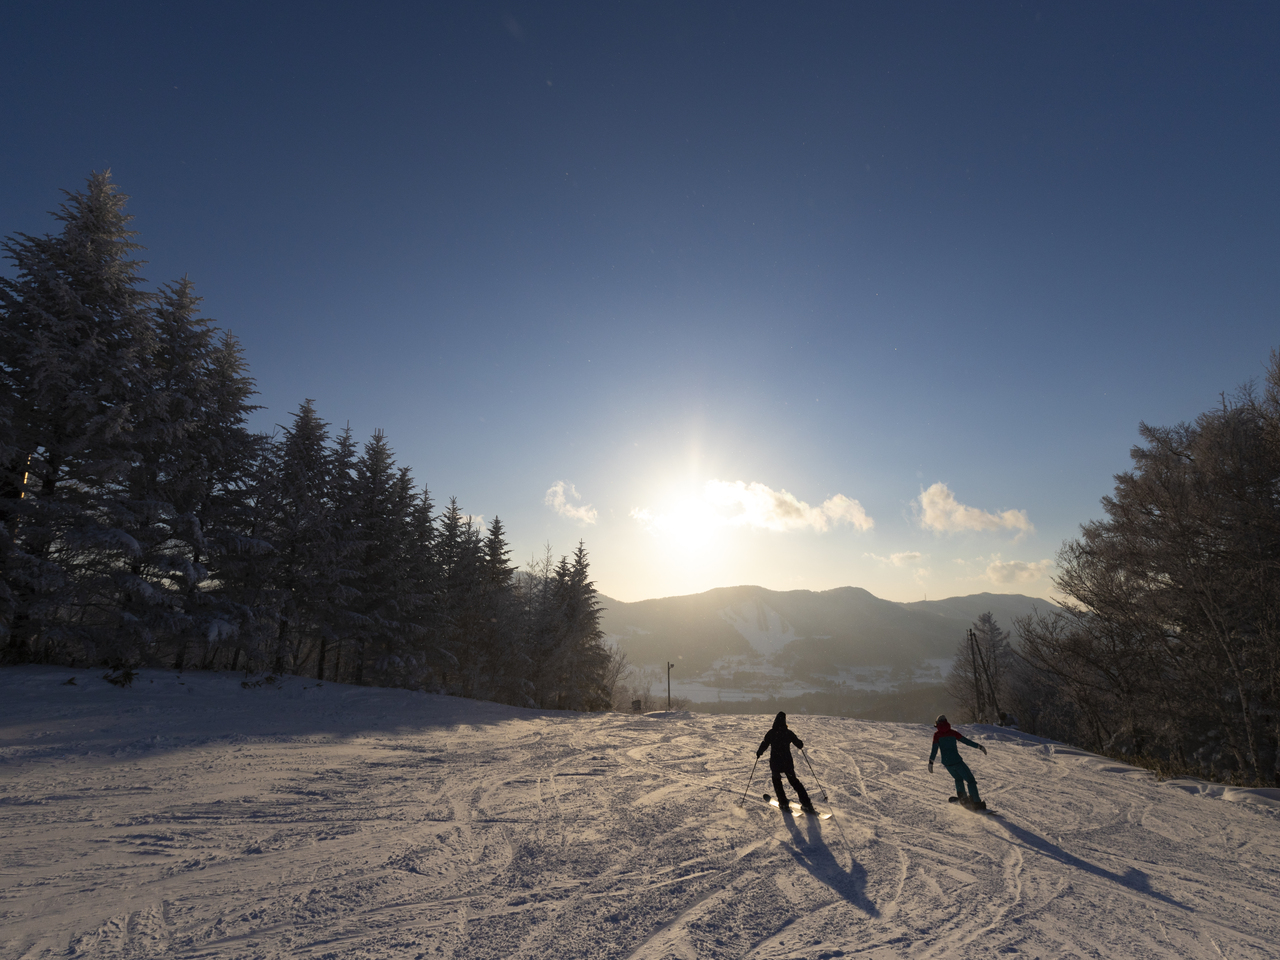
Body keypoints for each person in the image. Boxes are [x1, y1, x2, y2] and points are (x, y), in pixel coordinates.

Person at [757, 711, 815, 814]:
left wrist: (759, 753)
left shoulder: (771, 732)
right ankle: (806, 804)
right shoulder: (788, 733)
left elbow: (765, 744)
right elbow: (799, 744)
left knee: (777, 782)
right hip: (787, 762)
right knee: (794, 782)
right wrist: (800, 744)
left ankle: (783, 802)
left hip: (775, 762)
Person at [928, 715, 988, 810]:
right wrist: (979, 747)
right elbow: (966, 741)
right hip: (957, 761)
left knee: (958, 779)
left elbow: (934, 750)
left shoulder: (937, 735)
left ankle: (963, 799)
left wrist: (931, 762)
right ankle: (976, 802)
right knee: (970, 780)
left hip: (947, 763)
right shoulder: (953, 733)